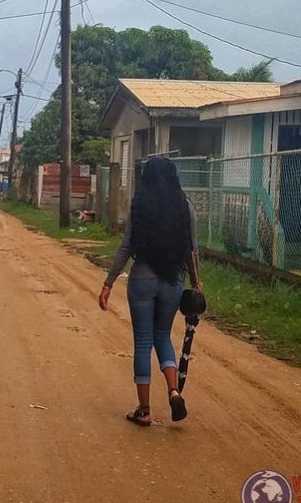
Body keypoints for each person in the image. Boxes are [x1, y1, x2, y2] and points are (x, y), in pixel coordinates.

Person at [98, 157, 202, 426]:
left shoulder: (140, 206)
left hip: (142, 280)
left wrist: (108, 282)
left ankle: (144, 411)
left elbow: (125, 247)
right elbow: (192, 250)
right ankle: (174, 391)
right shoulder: (185, 207)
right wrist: (196, 283)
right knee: (162, 336)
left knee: (143, 342)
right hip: (173, 282)